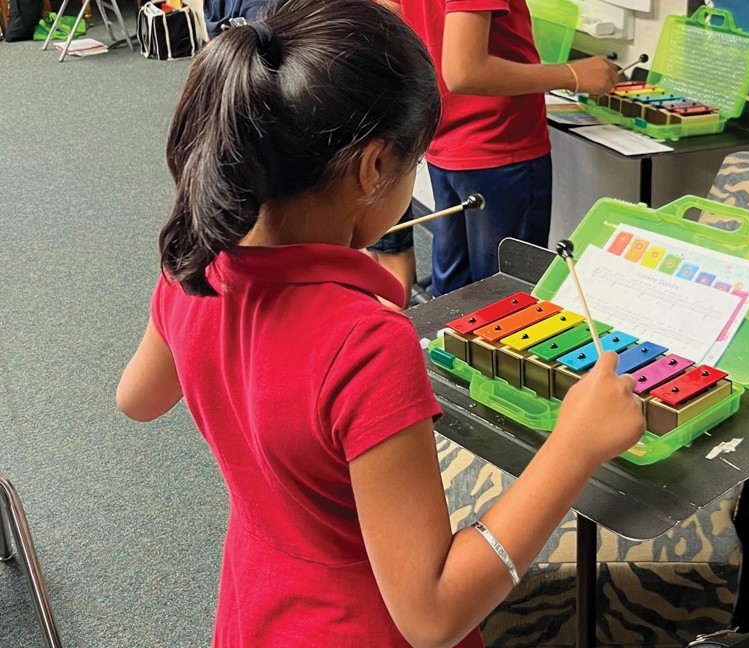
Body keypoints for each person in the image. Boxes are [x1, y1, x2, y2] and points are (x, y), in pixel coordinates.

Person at [116, 1, 644, 646]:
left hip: (259, 601)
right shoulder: (367, 343)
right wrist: (576, 445)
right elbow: (431, 615)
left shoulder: (195, 263)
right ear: (373, 168)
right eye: (414, 162)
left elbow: (138, 400)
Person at [388, 0, 619, 297]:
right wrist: (572, 75)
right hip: (499, 145)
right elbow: (465, 72)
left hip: (448, 139)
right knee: (508, 298)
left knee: (453, 294)